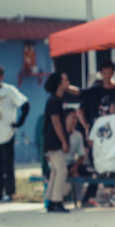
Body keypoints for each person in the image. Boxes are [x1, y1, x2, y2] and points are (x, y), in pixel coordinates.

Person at [0, 63, 29, 203]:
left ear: (2, 76)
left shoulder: (9, 91)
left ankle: (9, 192)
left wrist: (19, 123)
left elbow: (25, 104)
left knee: (8, 164)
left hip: (7, 133)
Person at [43, 72, 70, 213]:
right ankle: (57, 200)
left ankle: (50, 201)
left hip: (52, 141)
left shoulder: (58, 99)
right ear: (59, 83)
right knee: (61, 170)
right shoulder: (54, 100)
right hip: (54, 141)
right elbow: (56, 122)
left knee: (54, 171)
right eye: (65, 80)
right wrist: (64, 141)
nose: (68, 82)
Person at [77, 60, 115, 134]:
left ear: (113, 73)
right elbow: (80, 110)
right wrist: (86, 126)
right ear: (101, 73)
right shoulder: (93, 91)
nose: (107, 76)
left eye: (109, 73)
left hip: (113, 128)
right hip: (96, 129)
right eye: (105, 73)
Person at [62, 108, 89, 205]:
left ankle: (80, 199)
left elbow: (82, 155)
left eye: (76, 118)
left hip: (71, 164)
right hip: (60, 164)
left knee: (83, 172)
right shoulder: (58, 133)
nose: (75, 121)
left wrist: (75, 166)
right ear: (65, 118)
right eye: (72, 118)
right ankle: (59, 198)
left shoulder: (78, 135)